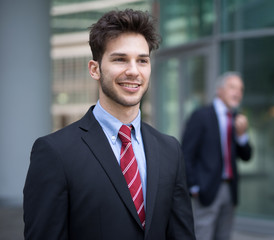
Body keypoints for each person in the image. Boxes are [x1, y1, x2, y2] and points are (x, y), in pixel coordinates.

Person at [23, 9, 195, 240]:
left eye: (142, 60)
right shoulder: (55, 152)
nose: (133, 71)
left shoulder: (170, 150)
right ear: (95, 69)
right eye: (120, 59)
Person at [181, 72, 252, 240]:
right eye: (232, 87)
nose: (237, 93)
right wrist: (194, 186)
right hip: (206, 188)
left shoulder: (237, 118)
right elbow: (186, 153)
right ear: (219, 90)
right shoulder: (201, 115)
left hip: (230, 189)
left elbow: (247, 156)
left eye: (241, 89)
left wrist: (242, 135)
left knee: (224, 236)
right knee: (202, 235)